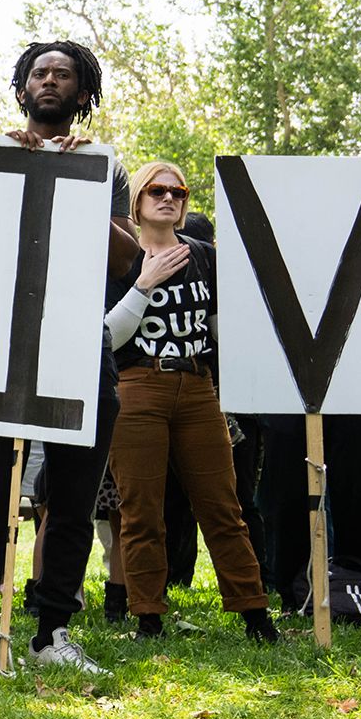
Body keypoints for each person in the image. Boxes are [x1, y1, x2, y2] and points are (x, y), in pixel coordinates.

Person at [0, 43, 123, 675]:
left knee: (72, 495)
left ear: (82, 93)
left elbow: (124, 262)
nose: (49, 80)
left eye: (63, 74)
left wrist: (78, 184)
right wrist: (8, 178)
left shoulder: (104, 167)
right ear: (22, 89)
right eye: (38, 73)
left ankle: (53, 633)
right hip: (2, 344)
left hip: (78, 348)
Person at [102, 161, 274, 639]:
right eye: (156, 190)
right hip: (138, 387)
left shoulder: (204, 255)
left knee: (223, 505)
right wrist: (144, 284)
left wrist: (236, 387)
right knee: (141, 510)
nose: (169, 198)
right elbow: (108, 338)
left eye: (178, 191)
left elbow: (218, 331)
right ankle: (148, 618)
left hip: (199, 388)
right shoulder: (120, 257)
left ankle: (254, 613)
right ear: (136, 202)